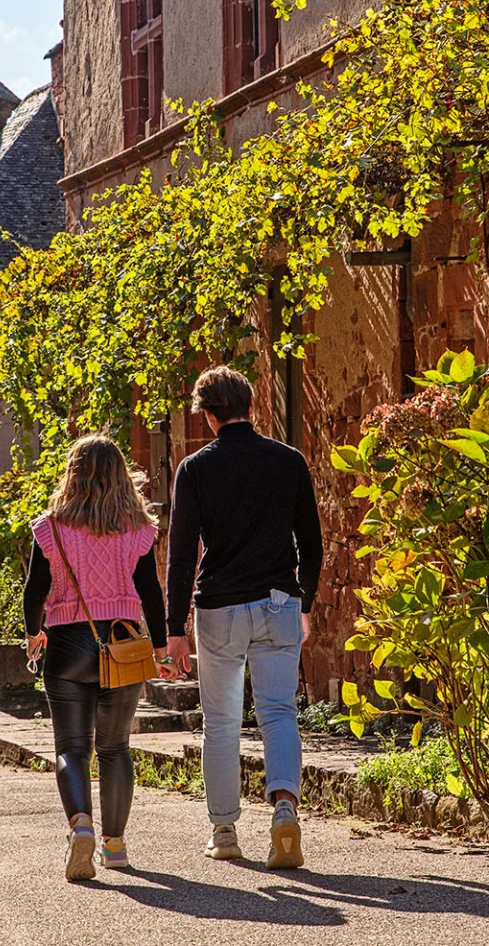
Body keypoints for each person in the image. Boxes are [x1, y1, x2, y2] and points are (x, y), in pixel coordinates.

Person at [166, 366, 323, 869]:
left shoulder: (194, 469)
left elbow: (180, 554)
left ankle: (225, 830)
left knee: (222, 722)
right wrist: (306, 603)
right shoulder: (289, 461)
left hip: (220, 607)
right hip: (279, 600)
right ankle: (283, 809)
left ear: (208, 415)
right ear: (251, 406)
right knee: (278, 712)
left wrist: (173, 629)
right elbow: (312, 544)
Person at [24, 435, 178, 882]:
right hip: (124, 646)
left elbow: (35, 590)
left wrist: (35, 634)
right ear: (120, 476)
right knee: (115, 748)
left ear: (72, 474)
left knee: (72, 749)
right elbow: (152, 592)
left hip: (68, 646)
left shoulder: (50, 528)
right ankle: (115, 846)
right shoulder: (138, 531)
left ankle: (81, 827)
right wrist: (161, 649)